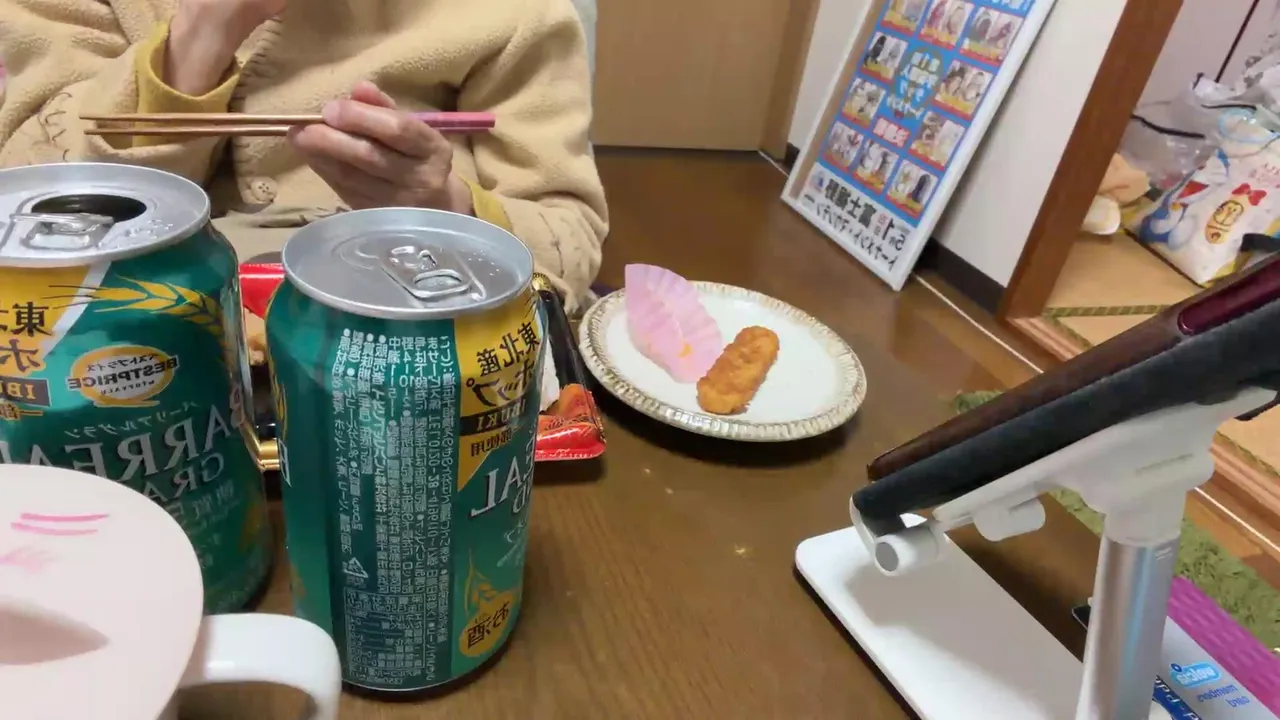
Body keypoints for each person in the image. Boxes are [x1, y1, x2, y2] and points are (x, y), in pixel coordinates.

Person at [0, 0, 608, 311]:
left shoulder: (512, 13)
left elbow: (568, 243)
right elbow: (26, 210)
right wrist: (203, 32)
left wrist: (442, 207)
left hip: (417, 344)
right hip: (124, 340)